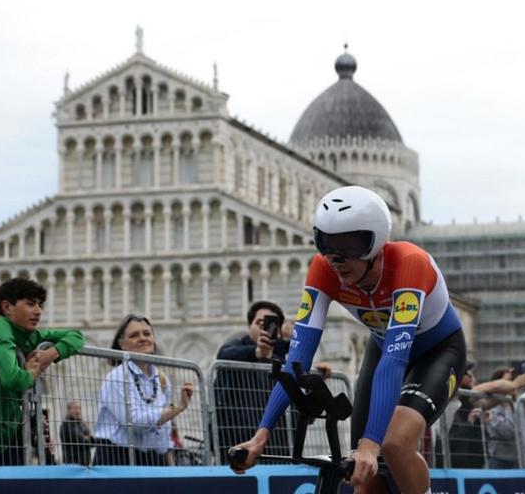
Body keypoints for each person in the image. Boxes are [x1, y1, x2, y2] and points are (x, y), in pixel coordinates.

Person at [232, 185, 466, 494]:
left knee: (393, 443)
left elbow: (395, 361)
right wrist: (261, 435)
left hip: (438, 352)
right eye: (326, 244)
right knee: (363, 475)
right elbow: (296, 360)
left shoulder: (409, 263)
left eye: (348, 247)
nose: (337, 260)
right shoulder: (323, 268)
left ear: (375, 245)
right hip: (383, 348)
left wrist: (372, 444)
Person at [0, 277, 85, 466]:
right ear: (7, 307)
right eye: (31, 304)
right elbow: (12, 380)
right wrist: (33, 371)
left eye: (40, 305)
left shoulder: (29, 335)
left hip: (4, 435)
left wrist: (49, 355)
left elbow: (77, 336)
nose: (38, 311)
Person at [93, 314, 194, 466]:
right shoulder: (116, 377)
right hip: (118, 459)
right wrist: (178, 408)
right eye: (134, 335)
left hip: (153, 459)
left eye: (147, 333)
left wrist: (171, 468)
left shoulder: (162, 379)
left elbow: (164, 433)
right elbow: (135, 423)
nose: (143, 338)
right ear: (122, 344)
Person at [214, 301, 290, 462]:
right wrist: (256, 352)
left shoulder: (281, 361)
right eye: (259, 323)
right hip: (238, 443)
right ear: (249, 327)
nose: (263, 328)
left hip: (276, 446)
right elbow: (224, 354)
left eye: (270, 324)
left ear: (278, 331)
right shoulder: (237, 347)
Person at [60, 400, 93, 465]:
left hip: (85, 465)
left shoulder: (82, 423)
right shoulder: (67, 425)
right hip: (72, 464)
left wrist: (88, 438)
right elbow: (81, 441)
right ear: (69, 410)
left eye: (79, 408)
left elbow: (93, 442)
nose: (78, 411)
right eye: (75, 408)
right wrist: (88, 438)